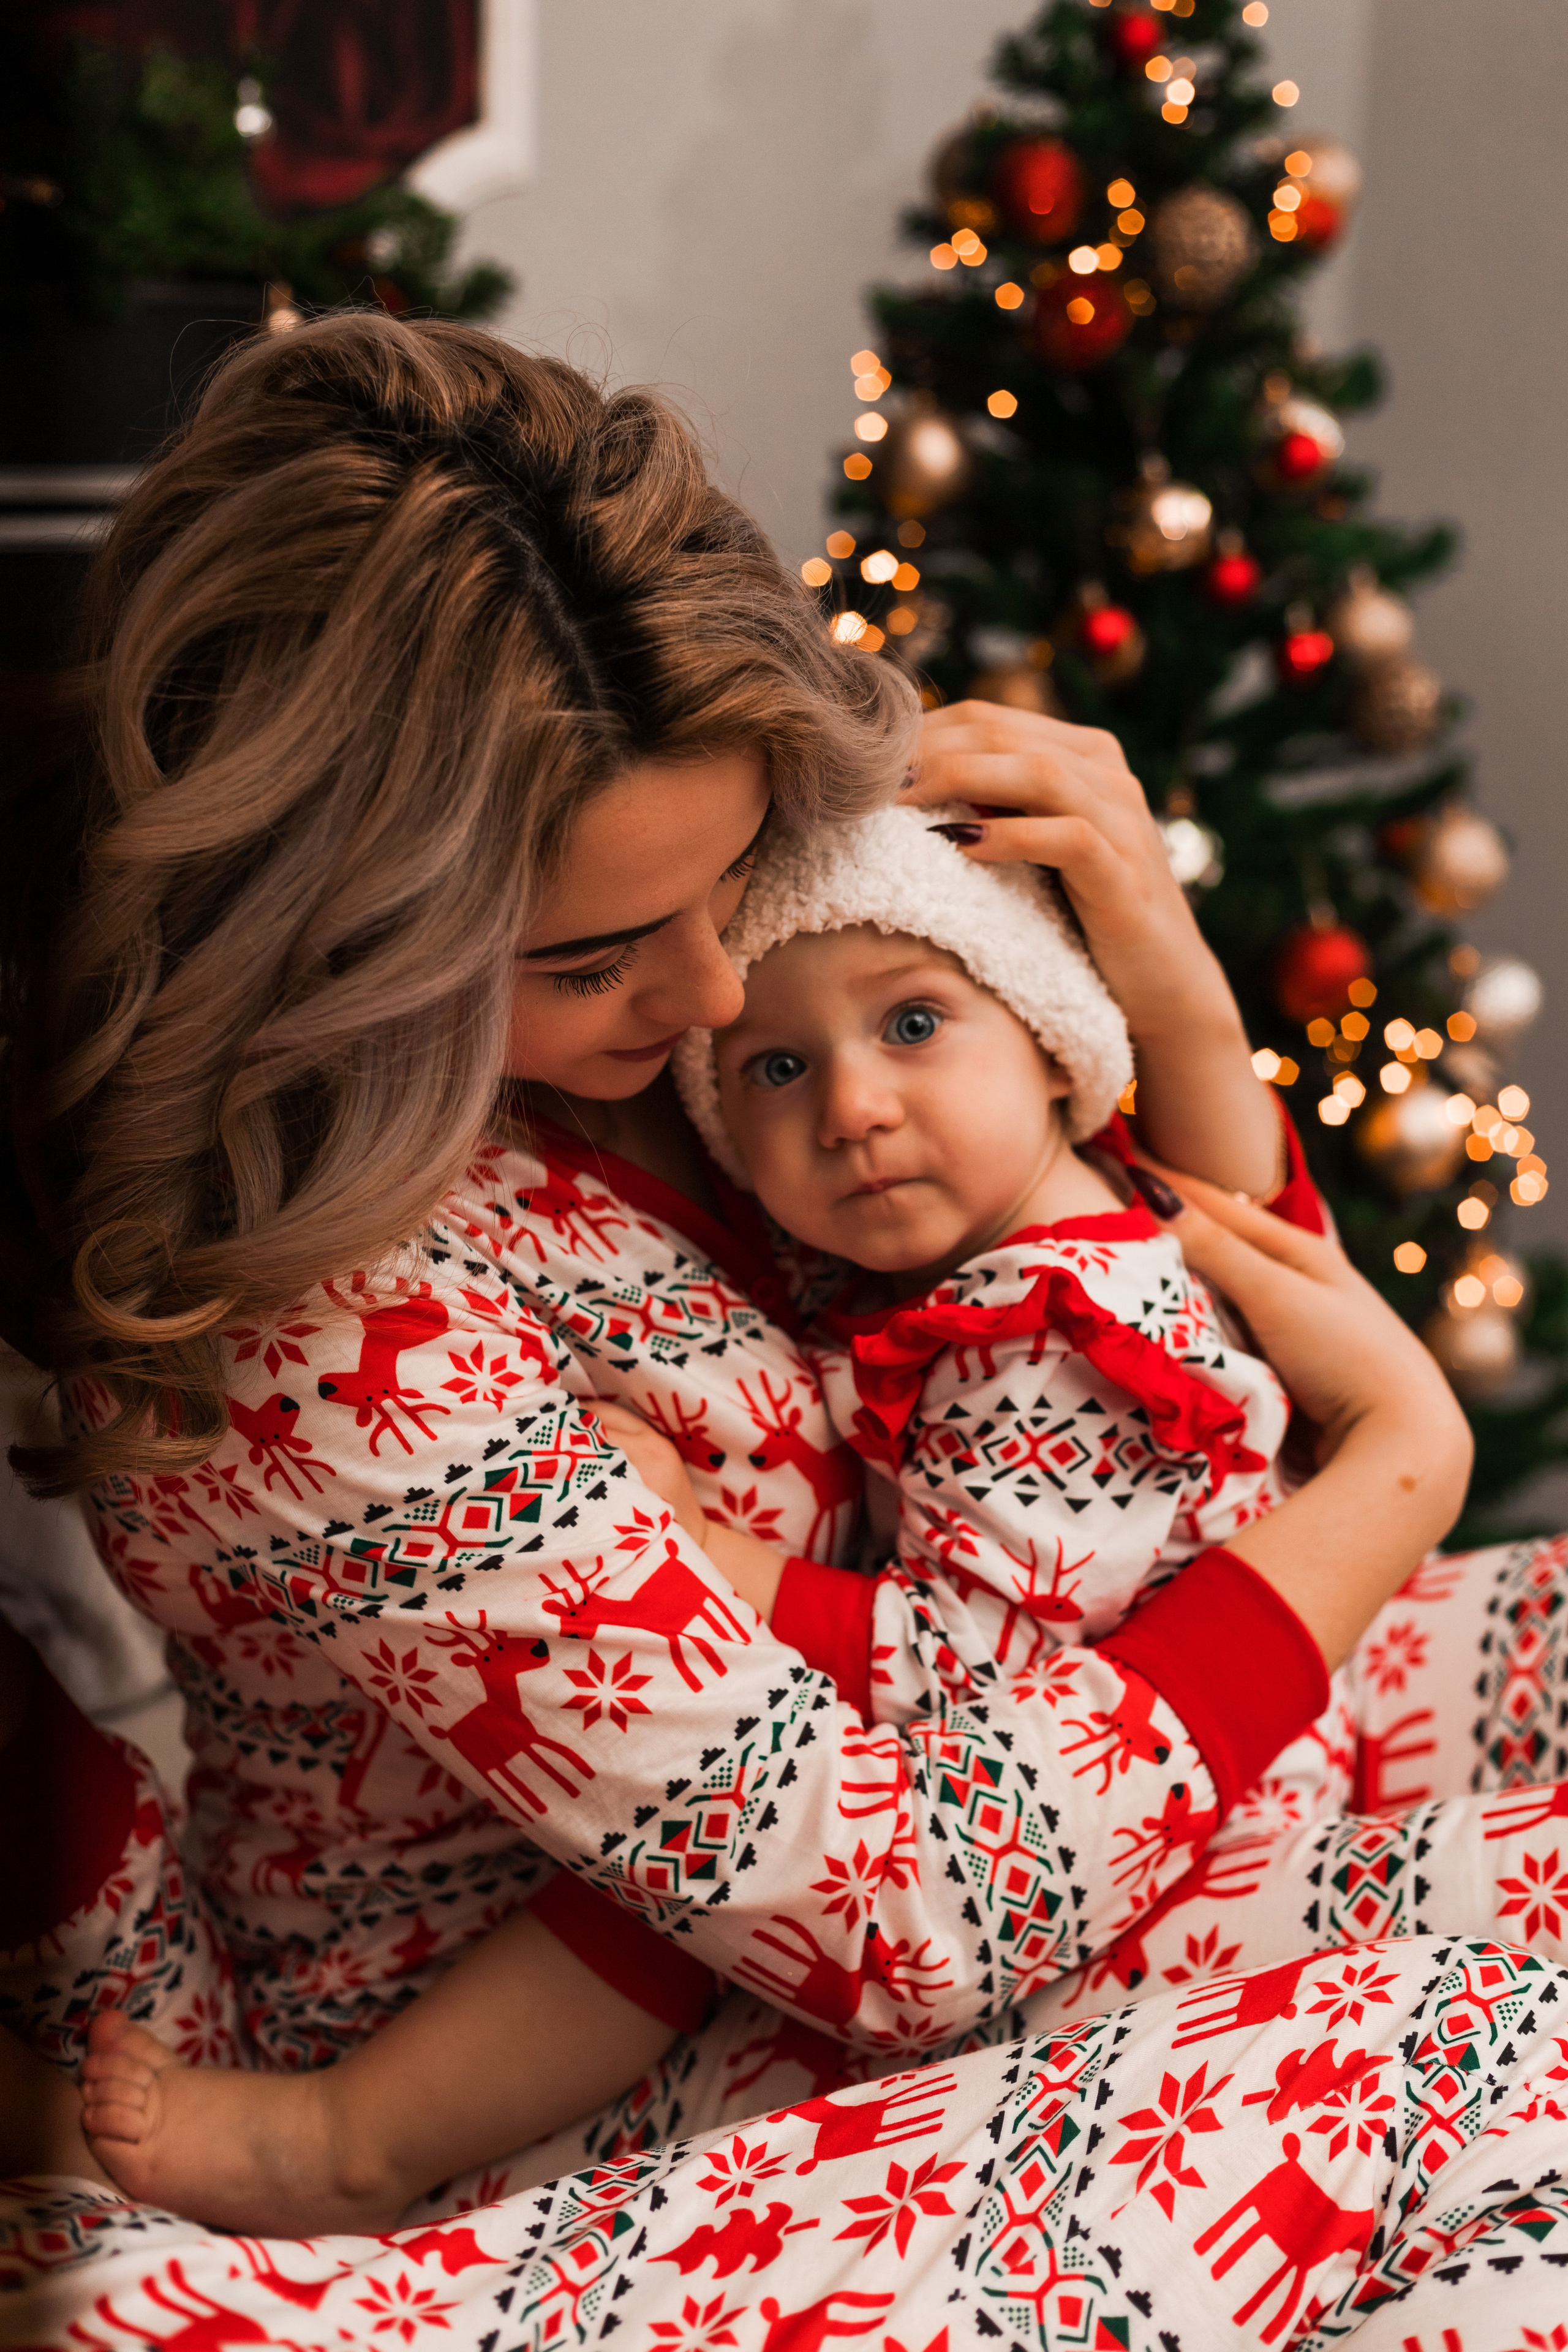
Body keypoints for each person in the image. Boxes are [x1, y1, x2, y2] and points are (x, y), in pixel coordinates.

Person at [5, 312, 1568, 2343]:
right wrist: (1402, 1476)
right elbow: (911, 1913)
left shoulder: (687, 986)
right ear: (342, 943)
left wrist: (1168, 989)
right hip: (611, 2040)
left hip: (1000, 1753)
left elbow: (1132, 1356)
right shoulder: (326, 1330)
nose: (722, 1000)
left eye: (729, 880)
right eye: (587, 957)